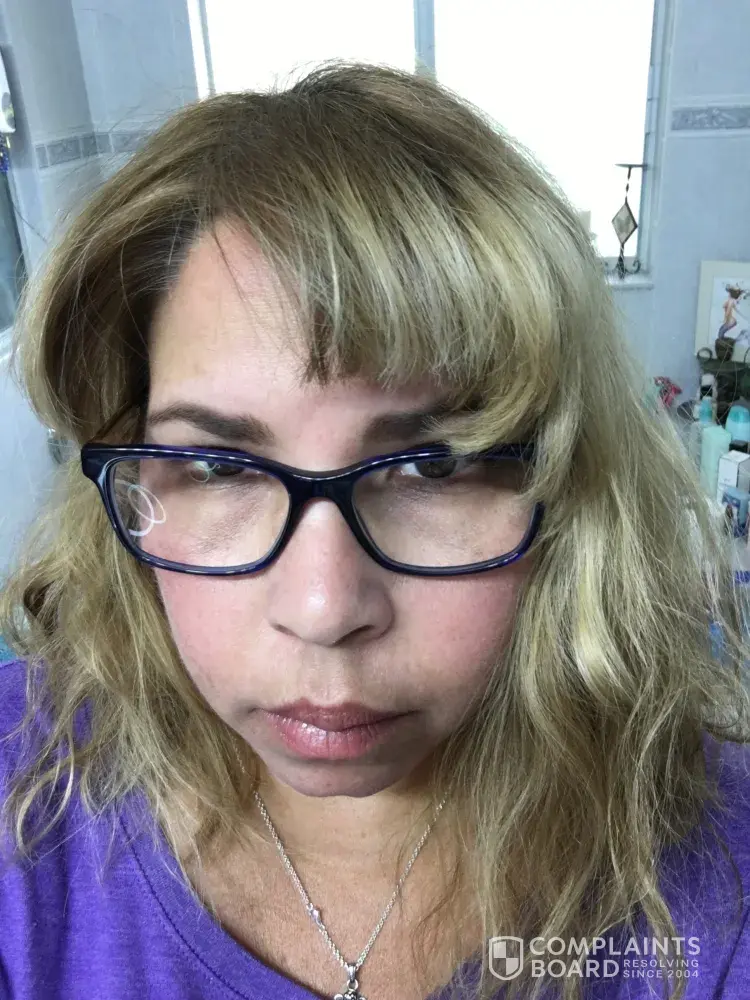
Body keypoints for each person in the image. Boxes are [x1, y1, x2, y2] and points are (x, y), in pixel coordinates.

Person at [0, 61, 749, 1000]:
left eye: (432, 468)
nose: (324, 610)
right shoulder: (23, 799)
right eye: (221, 468)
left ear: (569, 492)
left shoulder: (714, 880)